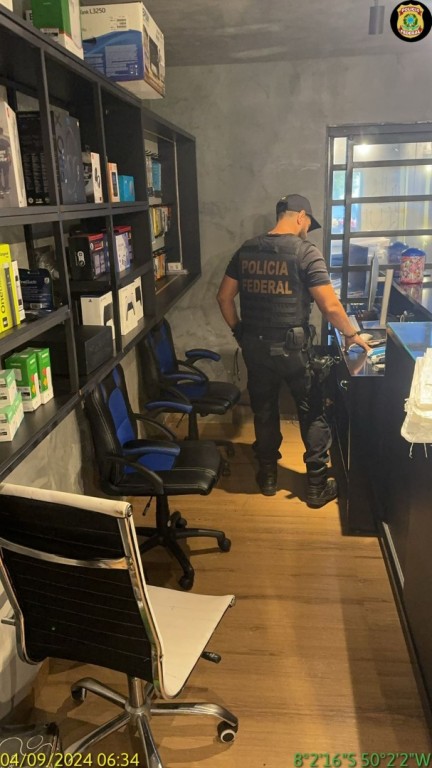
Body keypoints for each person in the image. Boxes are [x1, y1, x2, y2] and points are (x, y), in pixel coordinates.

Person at [216, 193, 370, 508]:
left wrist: (240, 332)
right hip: (294, 351)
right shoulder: (305, 252)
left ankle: (268, 477)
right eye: (308, 224)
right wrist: (352, 334)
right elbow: (330, 306)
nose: (307, 230)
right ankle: (316, 486)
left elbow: (223, 298)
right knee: (312, 412)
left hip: (255, 349)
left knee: (264, 410)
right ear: (300, 216)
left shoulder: (246, 250)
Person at [0, 126, 11, 199]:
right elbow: (9, 152)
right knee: (6, 174)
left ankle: (1, 190)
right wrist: (9, 160)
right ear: (2, 132)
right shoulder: (6, 141)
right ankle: (7, 189)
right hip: (5, 161)